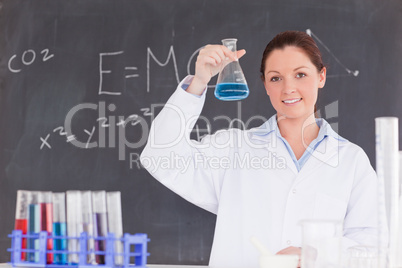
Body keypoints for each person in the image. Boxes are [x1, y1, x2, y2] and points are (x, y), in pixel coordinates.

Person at [140, 31, 381, 267]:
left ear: (321, 77)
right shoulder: (233, 150)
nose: (288, 88)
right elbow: (160, 158)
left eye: (300, 74)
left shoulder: (351, 161)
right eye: (276, 78)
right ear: (265, 85)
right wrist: (199, 81)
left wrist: (314, 255)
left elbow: (372, 247)